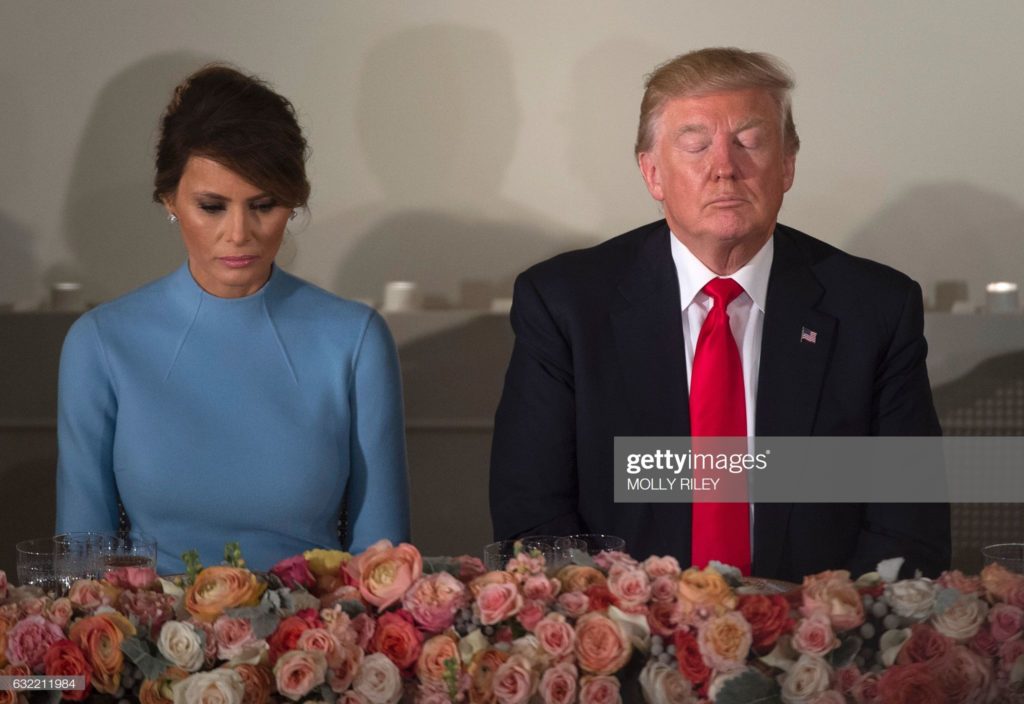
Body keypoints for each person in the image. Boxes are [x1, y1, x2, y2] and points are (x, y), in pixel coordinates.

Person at [489, 48, 949, 581]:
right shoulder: (565, 304)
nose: (725, 168)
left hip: (818, 644)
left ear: (788, 166)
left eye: (750, 142)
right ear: (653, 173)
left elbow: (908, 525)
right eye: (696, 145)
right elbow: (534, 518)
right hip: (622, 640)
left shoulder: (876, 308)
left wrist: (823, 638)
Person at [56, 65, 410, 573]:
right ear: (169, 200)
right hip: (150, 647)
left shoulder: (354, 340)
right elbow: (83, 575)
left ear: (293, 203)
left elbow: (383, 568)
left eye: (263, 204)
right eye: (212, 206)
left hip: (318, 644)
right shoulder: (102, 343)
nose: (239, 233)